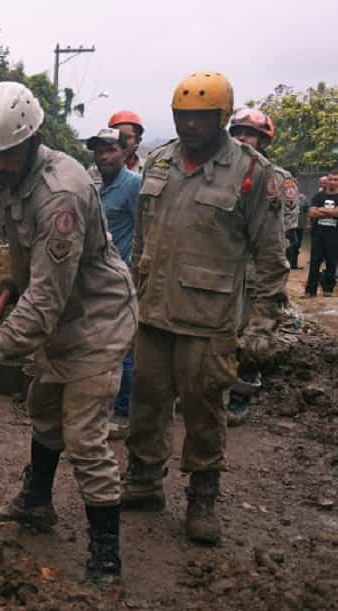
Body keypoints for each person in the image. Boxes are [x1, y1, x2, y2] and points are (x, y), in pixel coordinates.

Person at [0, 82, 136, 585]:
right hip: (55, 314)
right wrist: (8, 269)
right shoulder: (4, 176)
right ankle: (36, 502)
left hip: (96, 318)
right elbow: (17, 244)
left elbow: (44, 300)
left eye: (4, 155)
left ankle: (106, 553)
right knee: (43, 408)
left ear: (32, 139)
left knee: (84, 437)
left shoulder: (62, 193)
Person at [123, 71, 288, 547]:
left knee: (204, 410)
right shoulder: (158, 162)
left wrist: (261, 325)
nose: (190, 126)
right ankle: (144, 481)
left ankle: (202, 497)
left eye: (202, 118)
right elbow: (143, 237)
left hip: (210, 323)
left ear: (221, 118)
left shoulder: (253, 174)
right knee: (146, 403)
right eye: (183, 117)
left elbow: (272, 259)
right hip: (154, 313)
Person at [226, 107, 297, 425]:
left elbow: (285, 233)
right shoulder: (219, 173)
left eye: (249, 133)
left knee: (255, 337)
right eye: (237, 132)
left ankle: (241, 396)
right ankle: (210, 390)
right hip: (224, 268)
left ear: (264, 139)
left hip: (259, 271)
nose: (242, 138)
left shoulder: (279, 180)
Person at [84, 128, 141, 435]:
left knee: (122, 348)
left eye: (110, 150)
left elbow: (144, 230)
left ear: (124, 153)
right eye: (98, 151)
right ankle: (101, 405)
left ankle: (123, 412)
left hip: (121, 279)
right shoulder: (93, 186)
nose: (103, 156)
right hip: (95, 276)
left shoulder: (133, 186)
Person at [306, 174, 338, 297]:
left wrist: (322, 210)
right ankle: (310, 290)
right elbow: (312, 213)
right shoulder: (318, 196)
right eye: (330, 179)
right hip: (318, 235)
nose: (332, 182)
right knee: (315, 262)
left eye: (336, 180)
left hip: (334, 235)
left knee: (331, 262)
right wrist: (332, 212)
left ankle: (328, 289)